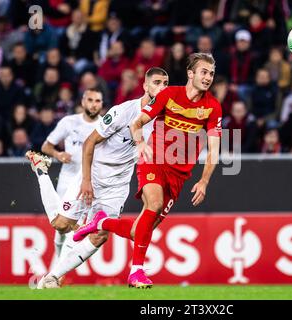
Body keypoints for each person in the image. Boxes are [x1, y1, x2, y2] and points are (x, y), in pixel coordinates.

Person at [75, 53, 222, 288]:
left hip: (179, 174)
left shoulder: (212, 107)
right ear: (190, 73)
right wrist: (141, 144)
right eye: (204, 72)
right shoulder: (168, 95)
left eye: (211, 73)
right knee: (153, 204)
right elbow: (137, 123)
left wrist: (204, 181)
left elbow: (214, 149)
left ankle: (101, 223)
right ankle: (136, 272)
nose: (208, 77)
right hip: (153, 160)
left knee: (138, 231)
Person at [28, 67, 169, 288]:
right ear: (145, 86)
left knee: (100, 235)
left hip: (119, 182)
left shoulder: (162, 117)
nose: (162, 88)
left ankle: (51, 277)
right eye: (157, 83)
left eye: (165, 84)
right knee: (61, 225)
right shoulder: (123, 111)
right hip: (94, 172)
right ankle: (41, 171)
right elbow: (89, 142)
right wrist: (86, 180)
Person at [37, 87, 103, 259]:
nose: (94, 105)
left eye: (97, 101)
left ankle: (58, 272)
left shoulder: (105, 125)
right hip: (67, 179)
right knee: (60, 227)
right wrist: (58, 154)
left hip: (89, 181)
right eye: (90, 100)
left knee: (78, 227)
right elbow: (46, 146)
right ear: (82, 102)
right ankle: (59, 262)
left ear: (102, 104)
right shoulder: (69, 122)